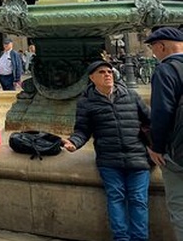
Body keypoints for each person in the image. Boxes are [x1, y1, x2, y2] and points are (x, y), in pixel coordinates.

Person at [62, 60, 151, 241]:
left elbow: (150, 120)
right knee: (116, 198)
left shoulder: (131, 96)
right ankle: (121, 238)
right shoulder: (86, 102)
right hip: (109, 159)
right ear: (92, 78)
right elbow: (83, 129)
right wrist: (74, 142)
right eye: (102, 72)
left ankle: (140, 238)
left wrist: (157, 146)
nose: (108, 75)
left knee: (139, 200)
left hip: (138, 157)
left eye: (110, 71)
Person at [145, 27, 183, 239]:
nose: (153, 53)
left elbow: (162, 112)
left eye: (153, 48)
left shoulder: (166, 70)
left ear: (161, 46)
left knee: (180, 207)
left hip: (178, 152)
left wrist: (156, 147)